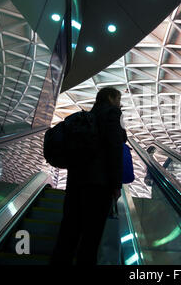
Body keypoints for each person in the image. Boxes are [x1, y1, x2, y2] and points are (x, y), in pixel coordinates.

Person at [50, 87, 126, 265]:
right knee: (92, 236)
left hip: (76, 182)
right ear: (110, 97)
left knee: (69, 231)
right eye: (118, 98)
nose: (119, 102)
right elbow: (115, 148)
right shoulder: (111, 114)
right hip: (99, 185)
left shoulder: (85, 118)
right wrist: (116, 184)